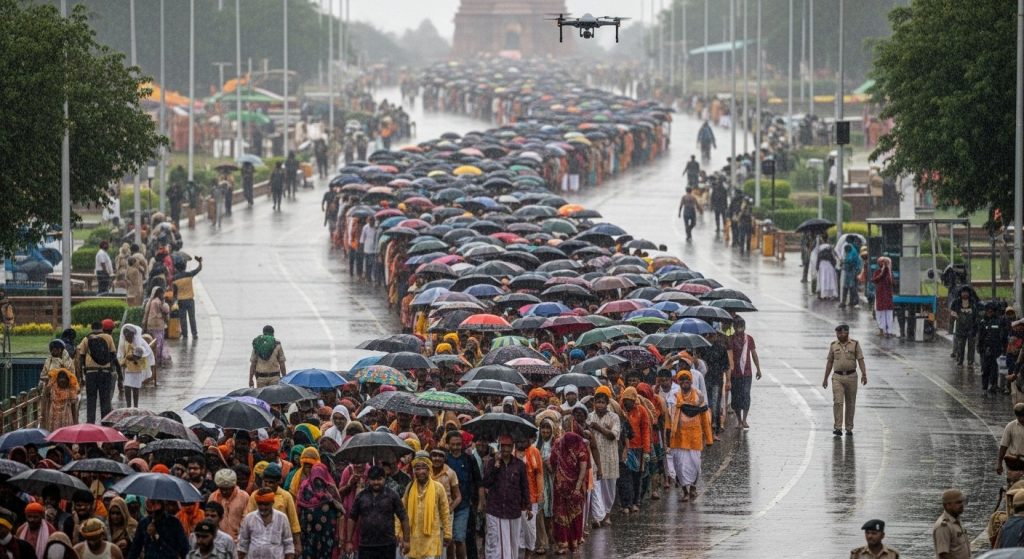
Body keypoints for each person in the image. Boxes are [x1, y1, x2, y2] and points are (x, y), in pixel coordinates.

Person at [666, 370, 713, 503]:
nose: (685, 383)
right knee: (680, 467)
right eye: (682, 380)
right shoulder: (674, 397)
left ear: (691, 382)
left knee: (696, 466)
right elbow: (669, 419)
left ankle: (693, 487)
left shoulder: (698, 396)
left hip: (695, 438)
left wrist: (709, 439)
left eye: (687, 380)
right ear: (679, 382)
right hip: (678, 438)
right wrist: (667, 439)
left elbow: (705, 418)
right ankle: (685, 492)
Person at [346, 465, 410, 559]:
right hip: (366, 545)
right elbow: (352, 517)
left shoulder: (392, 495)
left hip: (387, 545)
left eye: (379, 479)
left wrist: (406, 540)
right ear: (368, 479)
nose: (376, 482)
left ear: (384, 478)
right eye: (373, 479)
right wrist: (349, 541)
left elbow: (403, 516)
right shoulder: (361, 496)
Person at [482, 435, 529, 559]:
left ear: (513, 447)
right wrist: (496, 465)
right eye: (503, 446)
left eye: (508, 446)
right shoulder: (492, 463)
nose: (506, 449)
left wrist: (528, 506)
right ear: (499, 447)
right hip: (495, 509)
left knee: (513, 544)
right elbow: (486, 482)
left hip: (513, 509)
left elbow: (524, 486)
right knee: (495, 544)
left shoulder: (519, 465)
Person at [242, 464, 301, 557]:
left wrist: (297, 544)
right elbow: (248, 520)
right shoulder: (255, 496)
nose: (268, 485)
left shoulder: (286, 496)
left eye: (271, 482)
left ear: (278, 482)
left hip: (279, 542)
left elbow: (294, 522)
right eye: (266, 482)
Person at [549, 415, 587, 557]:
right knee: (562, 515)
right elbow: (552, 462)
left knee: (573, 515)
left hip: (572, 488)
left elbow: (583, 468)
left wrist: (577, 488)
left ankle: (572, 542)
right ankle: (565, 543)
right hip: (563, 488)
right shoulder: (563, 444)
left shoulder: (578, 445)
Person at [403, 454, 451, 559]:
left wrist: (447, 533)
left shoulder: (438, 488)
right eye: (417, 468)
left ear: (429, 469)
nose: (421, 472)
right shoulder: (409, 487)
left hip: (432, 536)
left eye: (423, 467)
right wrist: (398, 531)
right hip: (413, 537)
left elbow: (445, 511)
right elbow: (402, 511)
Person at [823, 324, 867, 437]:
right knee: (838, 402)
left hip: (852, 377)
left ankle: (849, 428)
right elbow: (829, 362)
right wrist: (825, 378)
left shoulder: (855, 344)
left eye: (841, 333)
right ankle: (838, 427)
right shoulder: (833, 345)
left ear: (847, 333)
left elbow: (860, 359)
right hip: (837, 377)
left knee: (850, 403)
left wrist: (864, 374)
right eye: (837, 333)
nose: (838, 335)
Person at [586, 388, 619, 528]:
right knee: (595, 488)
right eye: (597, 402)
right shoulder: (589, 416)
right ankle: (597, 516)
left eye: (602, 402)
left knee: (609, 488)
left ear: (607, 404)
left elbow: (613, 435)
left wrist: (598, 428)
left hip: (610, 458)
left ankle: (607, 514)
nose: (599, 405)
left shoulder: (613, 417)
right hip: (594, 458)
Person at [444, 431, 480, 559]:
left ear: (462, 445)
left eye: (458, 444)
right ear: (447, 445)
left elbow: (478, 481)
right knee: (448, 540)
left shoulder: (469, 459)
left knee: (459, 538)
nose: (455, 447)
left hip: (464, 505)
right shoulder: (444, 459)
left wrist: (479, 502)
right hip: (446, 505)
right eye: (452, 444)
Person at [76, 322, 116, 424]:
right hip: (105, 373)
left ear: (92, 328)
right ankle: (106, 423)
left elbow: (81, 358)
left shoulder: (86, 339)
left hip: (91, 373)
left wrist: (80, 376)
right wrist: (110, 369)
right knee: (105, 400)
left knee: (91, 400)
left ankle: (90, 424)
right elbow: (113, 356)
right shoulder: (108, 337)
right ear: (101, 328)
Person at [618, 387, 650, 514]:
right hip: (624, 449)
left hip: (638, 449)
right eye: (625, 400)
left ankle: (636, 501)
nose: (628, 403)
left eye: (630, 400)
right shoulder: (620, 411)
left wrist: (647, 450)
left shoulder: (641, 410)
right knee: (624, 478)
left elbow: (645, 430)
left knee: (636, 477)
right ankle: (626, 503)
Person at [238, 490, 295, 559]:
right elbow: (242, 543)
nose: (263, 507)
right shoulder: (249, 518)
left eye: (266, 504)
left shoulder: (282, 518)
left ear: (272, 503)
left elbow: (288, 542)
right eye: (260, 504)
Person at [729, 318, 761, 429]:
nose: (740, 329)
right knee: (736, 397)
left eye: (742, 326)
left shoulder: (749, 339)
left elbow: (754, 354)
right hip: (734, 374)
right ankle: (739, 420)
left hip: (747, 373)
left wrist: (758, 369)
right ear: (734, 328)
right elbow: (729, 356)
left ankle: (745, 419)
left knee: (746, 395)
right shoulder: (730, 340)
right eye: (738, 327)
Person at [115, 325, 153, 408]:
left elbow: (144, 351)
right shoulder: (124, 342)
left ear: (133, 335)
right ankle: (129, 406)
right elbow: (120, 354)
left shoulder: (139, 342)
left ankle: (136, 405)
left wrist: (135, 355)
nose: (128, 338)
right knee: (127, 386)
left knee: (136, 387)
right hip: (127, 368)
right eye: (126, 336)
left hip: (137, 368)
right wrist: (122, 360)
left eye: (129, 336)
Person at [979, 302, 1010, 393]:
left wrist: (1004, 348)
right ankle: (985, 386)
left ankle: (993, 385)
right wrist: (980, 348)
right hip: (986, 349)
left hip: (996, 349)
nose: (989, 312)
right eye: (988, 311)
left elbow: (1003, 336)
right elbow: (981, 336)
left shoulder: (999, 321)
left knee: (994, 368)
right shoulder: (983, 321)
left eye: (991, 311)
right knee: (985, 369)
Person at [932, 489, 970, 559]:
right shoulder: (943, 527)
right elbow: (943, 555)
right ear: (947, 505)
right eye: (958, 502)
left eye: (962, 502)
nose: (961, 505)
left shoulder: (956, 520)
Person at [172, 257, 202, 339]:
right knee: (192, 318)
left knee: (183, 319)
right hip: (190, 300)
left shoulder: (174, 278)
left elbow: (174, 292)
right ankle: (194, 334)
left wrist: (174, 301)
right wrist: (200, 262)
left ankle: (185, 334)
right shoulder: (189, 274)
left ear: (177, 268)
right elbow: (198, 269)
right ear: (184, 267)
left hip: (181, 301)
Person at [40, 367, 79, 432]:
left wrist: (75, 421)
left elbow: (73, 406)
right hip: (57, 417)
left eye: (64, 378)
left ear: (68, 379)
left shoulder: (69, 389)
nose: (62, 380)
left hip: (61, 417)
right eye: (60, 378)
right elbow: (46, 395)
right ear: (57, 379)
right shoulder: (53, 387)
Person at [872, 257, 896, 337]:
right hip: (880, 296)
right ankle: (882, 330)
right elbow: (875, 280)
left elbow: (891, 282)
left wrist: (887, 271)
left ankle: (889, 331)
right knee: (880, 313)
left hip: (887, 296)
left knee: (889, 313)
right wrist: (882, 273)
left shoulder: (889, 272)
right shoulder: (877, 272)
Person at [360, 216, 381, 283]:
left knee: (373, 264)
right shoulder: (365, 227)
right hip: (367, 249)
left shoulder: (376, 228)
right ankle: (368, 277)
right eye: (370, 221)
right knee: (367, 264)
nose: (371, 222)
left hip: (374, 249)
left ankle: (373, 277)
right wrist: (361, 246)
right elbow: (362, 238)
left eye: (372, 221)